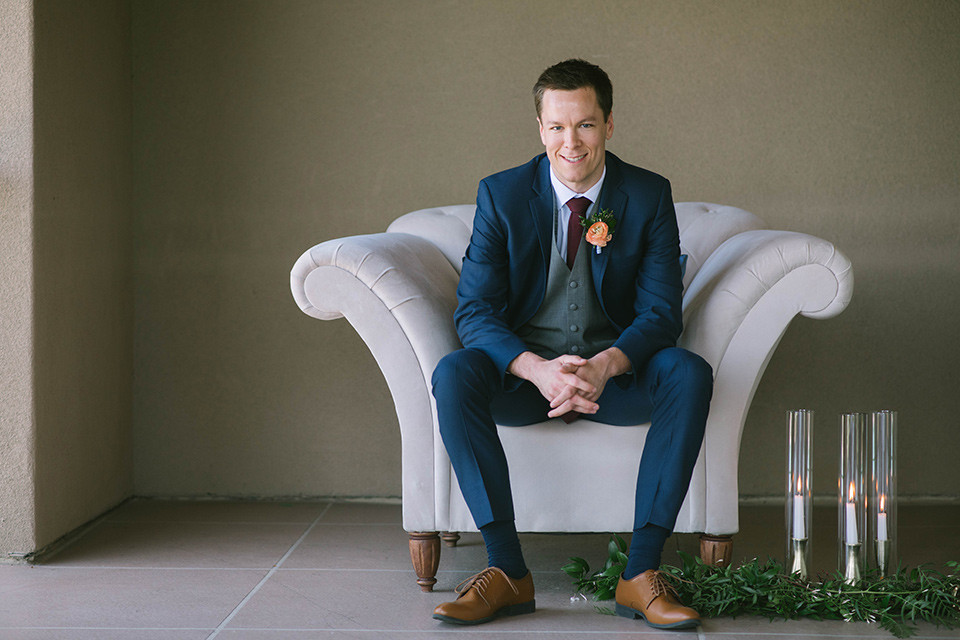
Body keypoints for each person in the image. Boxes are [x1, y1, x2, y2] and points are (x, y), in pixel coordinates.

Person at [430, 58, 712, 630]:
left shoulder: (649, 194)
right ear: (540, 129)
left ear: (609, 125)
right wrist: (537, 369)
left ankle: (640, 573)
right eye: (557, 127)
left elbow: (661, 313)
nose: (571, 142)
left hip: (615, 379)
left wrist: (606, 365)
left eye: (585, 125)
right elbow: (475, 310)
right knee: (454, 372)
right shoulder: (502, 194)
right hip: (527, 381)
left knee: (689, 370)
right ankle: (507, 571)